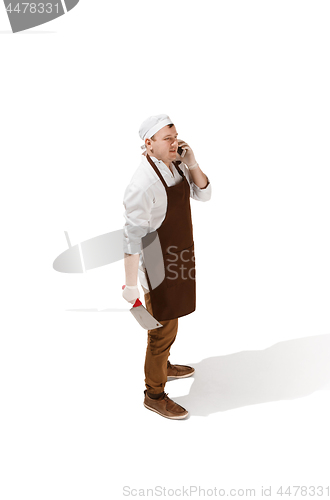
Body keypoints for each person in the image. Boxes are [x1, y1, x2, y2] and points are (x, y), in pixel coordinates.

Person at [122, 114, 212, 419]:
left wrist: (192, 164)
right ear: (149, 144)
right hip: (156, 267)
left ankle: (164, 366)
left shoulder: (176, 164)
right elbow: (132, 239)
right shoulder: (141, 184)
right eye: (167, 139)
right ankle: (154, 394)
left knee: (173, 320)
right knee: (161, 330)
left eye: (176, 137)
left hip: (180, 254)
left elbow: (204, 194)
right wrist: (130, 285)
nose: (175, 143)